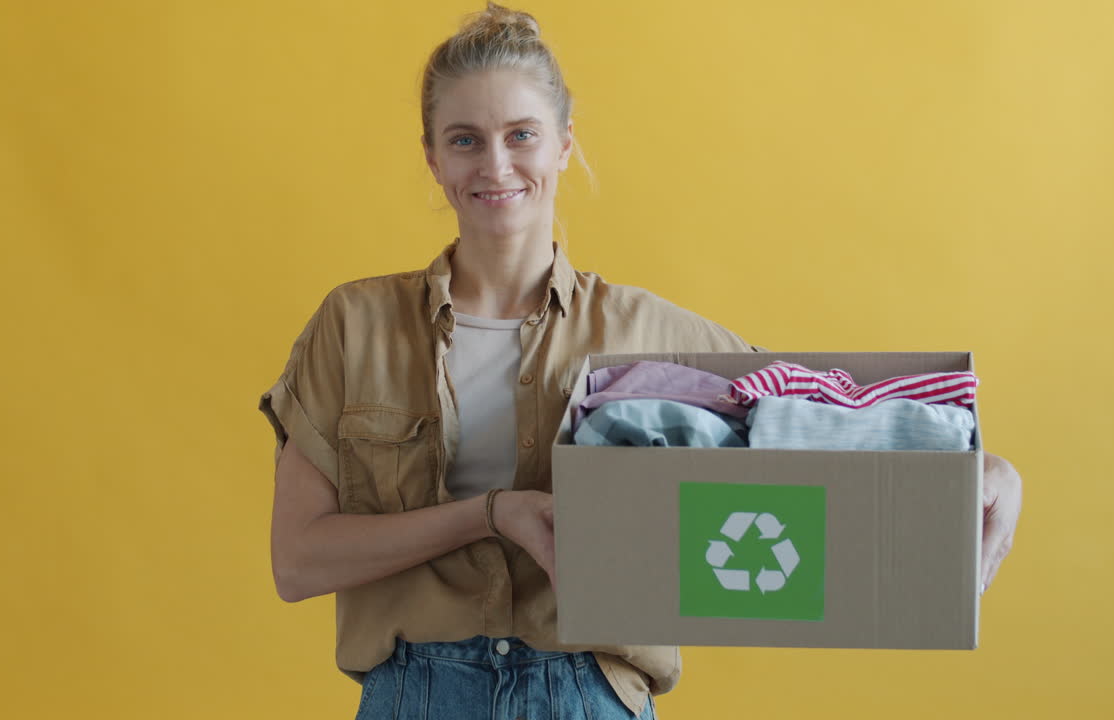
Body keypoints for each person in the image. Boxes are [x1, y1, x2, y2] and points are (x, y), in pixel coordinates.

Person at [258, 4, 1023, 719]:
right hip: (415, 692)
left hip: (585, 690)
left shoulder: (647, 332)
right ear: (432, 157)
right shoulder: (354, 326)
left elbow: (838, 417)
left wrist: (990, 469)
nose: (495, 165)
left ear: (563, 142)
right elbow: (297, 562)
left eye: (521, 134)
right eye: (465, 139)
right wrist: (491, 516)